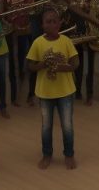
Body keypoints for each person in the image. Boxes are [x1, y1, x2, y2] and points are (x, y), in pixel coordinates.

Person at [27, 9, 80, 170]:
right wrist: (42, 65)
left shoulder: (66, 41)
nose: (51, 24)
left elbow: (75, 62)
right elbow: (30, 65)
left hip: (65, 91)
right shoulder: (38, 42)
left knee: (67, 125)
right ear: (42, 25)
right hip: (45, 92)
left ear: (60, 23)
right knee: (46, 126)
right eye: (48, 21)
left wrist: (65, 67)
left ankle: (69, 155)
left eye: (54, 21)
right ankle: (47, 154)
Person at [1, 0, 35, 106]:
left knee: (26, 63)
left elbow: (33, 10)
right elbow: (1, 15)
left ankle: (29, 95)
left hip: (26, 33)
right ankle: (14, 97)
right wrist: (9, 25)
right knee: (13, 65)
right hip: (11, 33)